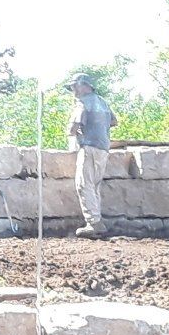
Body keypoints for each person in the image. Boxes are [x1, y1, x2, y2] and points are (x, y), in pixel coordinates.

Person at [66, 74, 113, 238]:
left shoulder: (83, 102)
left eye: (74, 87)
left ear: (83, 86)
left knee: (83, 184)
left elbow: (73, 127)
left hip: (90, 146)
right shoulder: (102, 102)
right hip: (103, 147)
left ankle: (94, 222)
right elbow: (113, 121)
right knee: (94, 185)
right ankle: (96, 219)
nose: (73, 91)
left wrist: (72, 135)